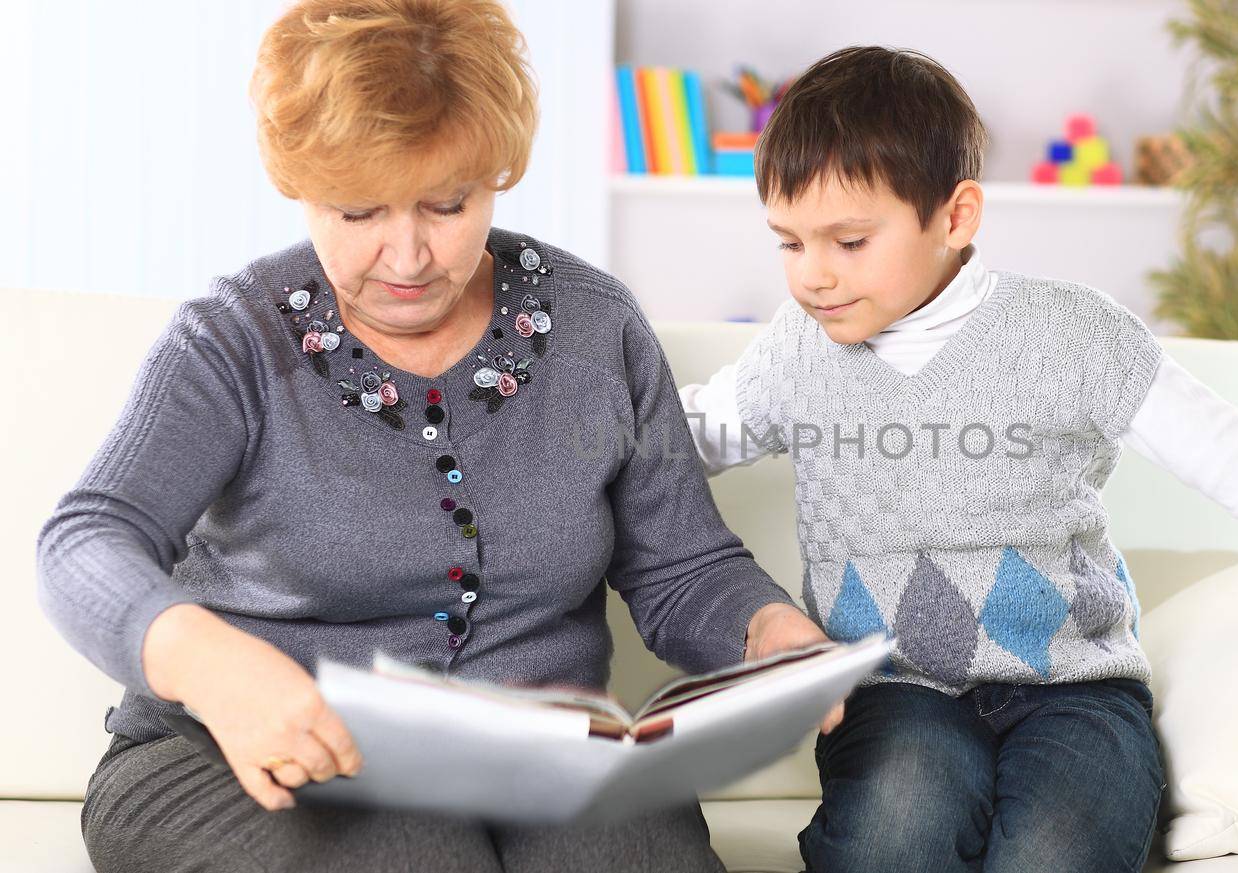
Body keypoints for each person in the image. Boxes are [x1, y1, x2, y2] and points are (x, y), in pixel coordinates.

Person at [677, 45, 1238, 873]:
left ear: (956, 215)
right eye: (789, 243)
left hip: (1075, 690)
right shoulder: (795, 354)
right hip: (894, 691)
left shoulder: (1072, 335)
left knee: (1058, 849)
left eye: (849, 242)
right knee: (894, 834)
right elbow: (676, 443)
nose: (813, 277)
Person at [34, 1, 832, 870]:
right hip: (226, 760)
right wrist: (209, 663)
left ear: (496, 172)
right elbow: (86, 537)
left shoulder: (598, 330)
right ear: (301, 185)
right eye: (358, 213)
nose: (407, 257)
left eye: (446, 204)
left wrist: (764, 631)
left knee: (636, 850)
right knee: (417, 850)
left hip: (537, 749)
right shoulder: (231, 341)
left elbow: (684, 565)